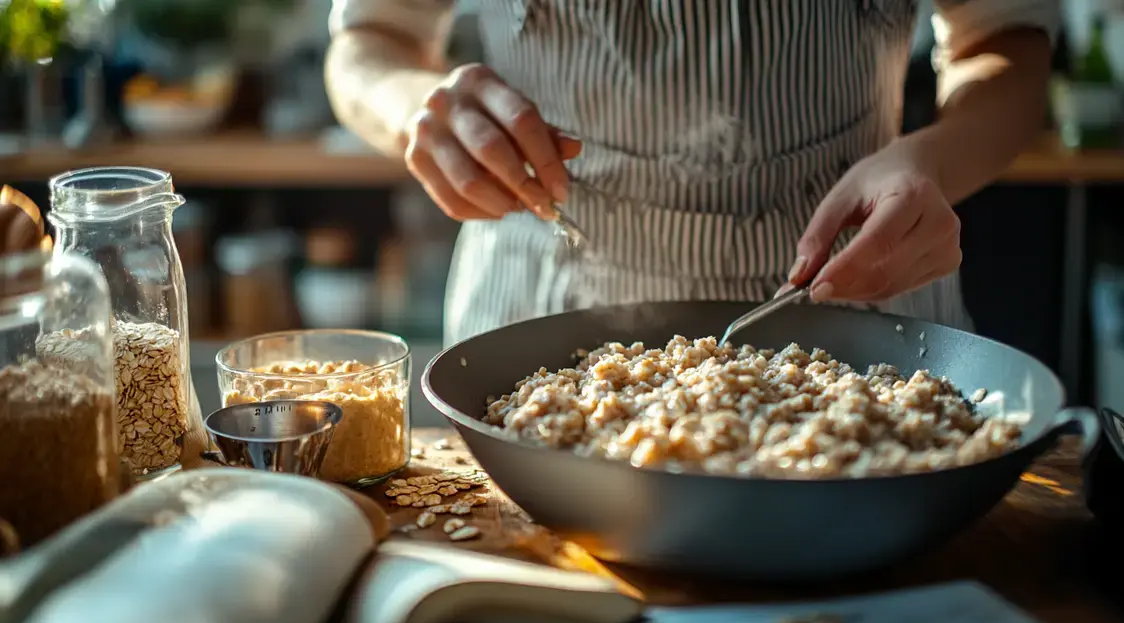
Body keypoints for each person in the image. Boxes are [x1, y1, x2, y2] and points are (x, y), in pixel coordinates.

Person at [325, 0, 1055, 346]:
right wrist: (411, 107)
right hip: (539, 319)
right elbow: (366, 45)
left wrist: (927, 158)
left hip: (867, 312)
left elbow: (1008, 46)